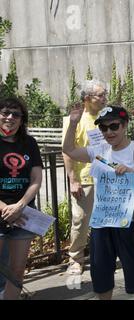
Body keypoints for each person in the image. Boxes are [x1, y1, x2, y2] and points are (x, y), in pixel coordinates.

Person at [63, 105, 134, 300]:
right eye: (104, 128)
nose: (109, 132)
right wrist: (72, 124)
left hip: (127, 221)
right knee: (101, 269)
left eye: (114, 126)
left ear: (125, 125)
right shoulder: (98, 150)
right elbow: (69, 150)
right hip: (101, 220)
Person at [62, 79, 107, 275]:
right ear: (88, 98)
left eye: (105, 94)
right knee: (80, 220)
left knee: (105, 220)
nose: (105, 99)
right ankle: (75, 259)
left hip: (106, 178)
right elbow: (66, 151)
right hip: (85, 178)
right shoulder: (74, 120)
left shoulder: (106, 117)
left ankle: (104, 257)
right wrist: (73, 179)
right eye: (101, 95)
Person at [0, 97, 43, 300]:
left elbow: (36, 179)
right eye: (5, 112)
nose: (10, 117)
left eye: (16, 114)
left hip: (23, 213)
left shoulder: (29, 143)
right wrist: (5, 209)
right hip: (1, 211)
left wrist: (19, 206)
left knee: (16, 271)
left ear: (22, 119)